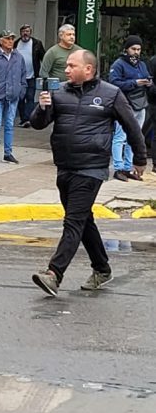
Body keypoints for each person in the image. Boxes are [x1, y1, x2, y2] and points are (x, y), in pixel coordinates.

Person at [30, 50, 146, 297]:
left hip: (92, 169)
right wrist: (41, 107)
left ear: (89, 70)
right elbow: (38, 123)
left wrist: (139, 159)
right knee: (83, 220)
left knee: (73, 221)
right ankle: (102, 268)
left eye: (72, 65)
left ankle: (54, 274)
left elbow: (132, 127)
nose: (67, 70)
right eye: (67, 66)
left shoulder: (111, 94)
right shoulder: (59, 92)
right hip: (65, 167)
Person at [108, 35, 152, 181]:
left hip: (140, 103)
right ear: (127, 49)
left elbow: (147, 77)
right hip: (124, 104)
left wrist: (148, 83)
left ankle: (128, 167)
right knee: (120, 137)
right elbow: (113, 83)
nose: (136, 52)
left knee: (136, 137)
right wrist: (134, 83)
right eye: (133, 49)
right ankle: (118, 168)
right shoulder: (119, 64)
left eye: (139, 49)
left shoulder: (141, 64)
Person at [0, 29, 30, 164]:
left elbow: (23, 76)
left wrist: (21, 91)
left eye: (12, 39)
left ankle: (8, 153)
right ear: (1, 41)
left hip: (13, 96)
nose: (10, 41)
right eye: (8, 39)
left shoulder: (18, 57)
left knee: (9, 124)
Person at [14, 24, 46, 127]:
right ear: (20, 33)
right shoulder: (16, 44)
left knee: (30, 97)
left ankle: (28, 119)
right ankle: (23, 118)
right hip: (18, 77)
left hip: (32, 75)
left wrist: (43, 73)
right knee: (20, 98)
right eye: (23, 31)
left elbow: (43, 58)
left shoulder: (37, 43)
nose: (25, 33)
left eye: (27, 31)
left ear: (30, 32)